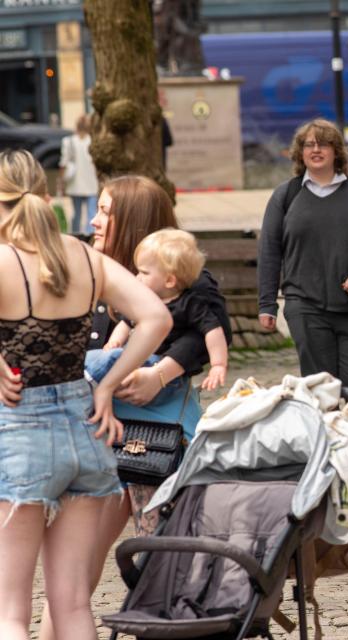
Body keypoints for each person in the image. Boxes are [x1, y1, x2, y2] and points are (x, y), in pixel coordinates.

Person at [36, 174, 227, 640]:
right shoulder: (83, 264)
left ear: (134, 221)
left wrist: (158, 374)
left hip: (154, 436)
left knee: (164, 554)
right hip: (97, 432)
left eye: (105, 211)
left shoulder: (180, 273)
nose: (95, 220)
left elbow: (207, 333)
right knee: (75, 568)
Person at [0, 149, 171, 640]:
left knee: (10, 611)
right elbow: (157, 317)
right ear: (45, 193)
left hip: (18, 431)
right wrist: (111, 384)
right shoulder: (85, 257)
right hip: (85, 427)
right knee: (74, 604)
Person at [258, 118, 348, 407]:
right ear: (300, 152)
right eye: (309, 144)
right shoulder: (287, 194)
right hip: (306, 306)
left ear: (337, 151)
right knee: (320, 388)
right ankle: (325, 448)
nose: (316, 149)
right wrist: (267, 303)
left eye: (324, 144)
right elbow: (269, 250)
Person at [87, 228, 231, 395]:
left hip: (157, 364)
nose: (137, 277)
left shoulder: (189, 304)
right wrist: (114, 342)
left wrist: (218, 364)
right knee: (111, 356)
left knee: (108, 359)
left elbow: (214, 331)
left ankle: (86, 380)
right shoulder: (144, 298)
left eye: (144, 272)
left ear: (169, 280)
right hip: (134, 358)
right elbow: (125, 323)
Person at [58, 114, 98, 235]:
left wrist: (61, 182)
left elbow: (63, 163)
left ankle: (76, 237)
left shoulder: (68, 141)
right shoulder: (94, 141)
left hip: (75, 184)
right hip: (92, 184)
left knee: (76, 214)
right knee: (92, 213)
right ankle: (90, 237)